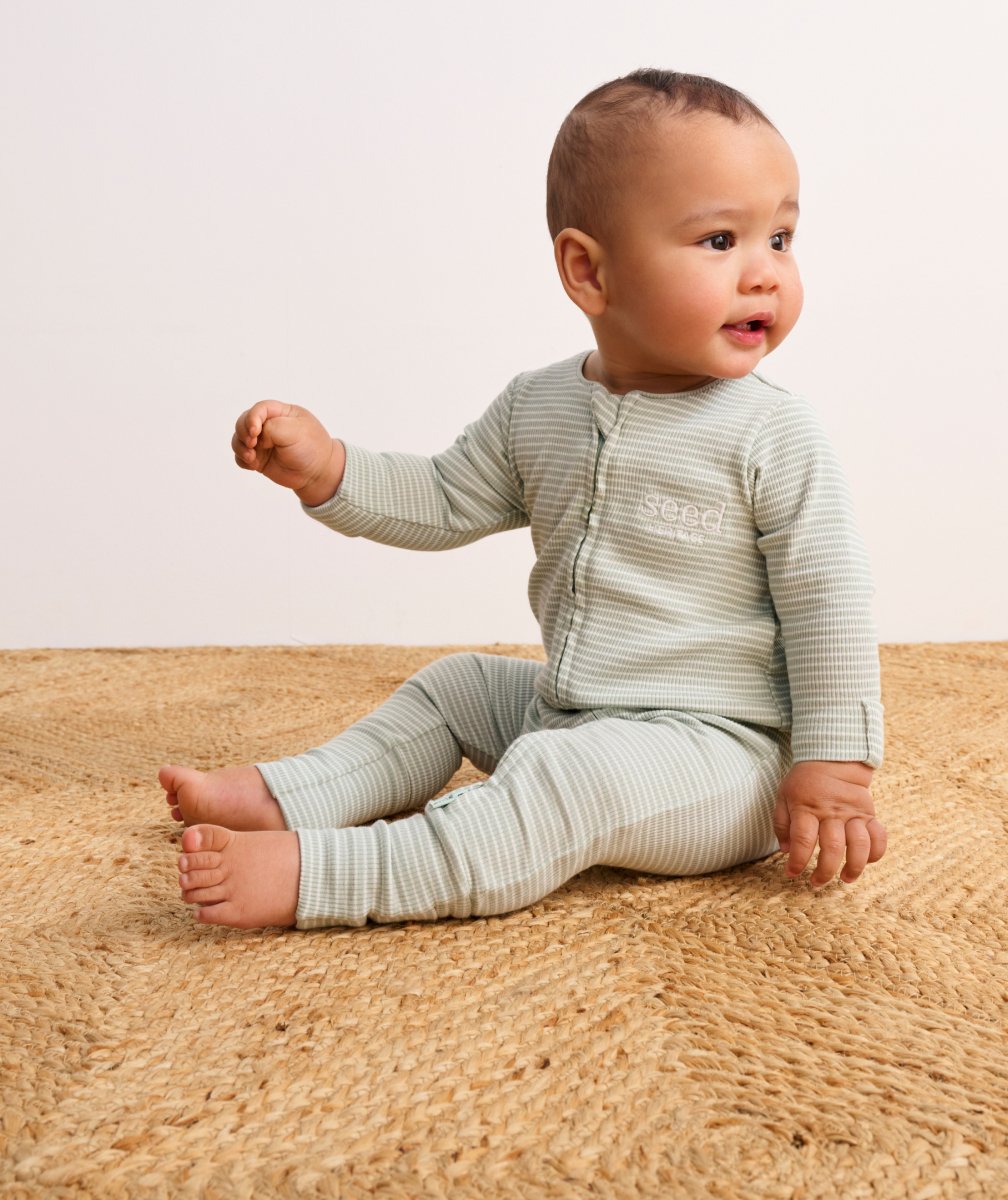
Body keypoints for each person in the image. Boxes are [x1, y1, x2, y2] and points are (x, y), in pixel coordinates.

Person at [159, 68, 886, 930]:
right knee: (457, 686)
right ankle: (294, 794)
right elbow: (442, 497)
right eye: (721, 240)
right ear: (588, 271)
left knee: (559, 782)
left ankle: (330, 875)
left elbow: (828, 602)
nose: (765, 273)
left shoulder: (773, 434)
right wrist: (329, 469)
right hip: (569, 710)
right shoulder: (538, 406)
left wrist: (834, 768)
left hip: (724, 756)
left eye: (783, 237)